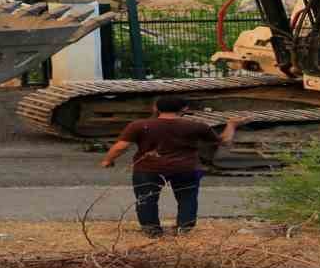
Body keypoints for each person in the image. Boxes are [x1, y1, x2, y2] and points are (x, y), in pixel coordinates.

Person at [100, 96, 238, 236]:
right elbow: (224, 142)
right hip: (187, 168)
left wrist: (108, 160)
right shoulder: (197, 126)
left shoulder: (139, 125)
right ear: (184, 109)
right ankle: (184, 228)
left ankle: (151, 229)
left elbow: (121, 146)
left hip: (148, 168)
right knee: (187, 198)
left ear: (155, 108)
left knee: (146, 198)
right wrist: (231, 125)